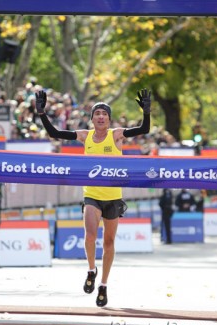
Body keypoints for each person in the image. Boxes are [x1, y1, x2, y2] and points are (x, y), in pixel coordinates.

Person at [35, 88, 151, 307]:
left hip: (114, 197)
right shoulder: (85, 136)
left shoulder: (116, 134)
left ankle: (104, 284)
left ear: (109, 119)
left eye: (104, 114)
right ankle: (91, 270)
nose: (100, 117)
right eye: (97, 113)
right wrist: (42, 113)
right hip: (92, 195)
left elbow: (144, 128)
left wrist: (147, 111)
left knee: (109, 242)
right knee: (90, 236)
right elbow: (56, 134)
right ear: (92, 118)